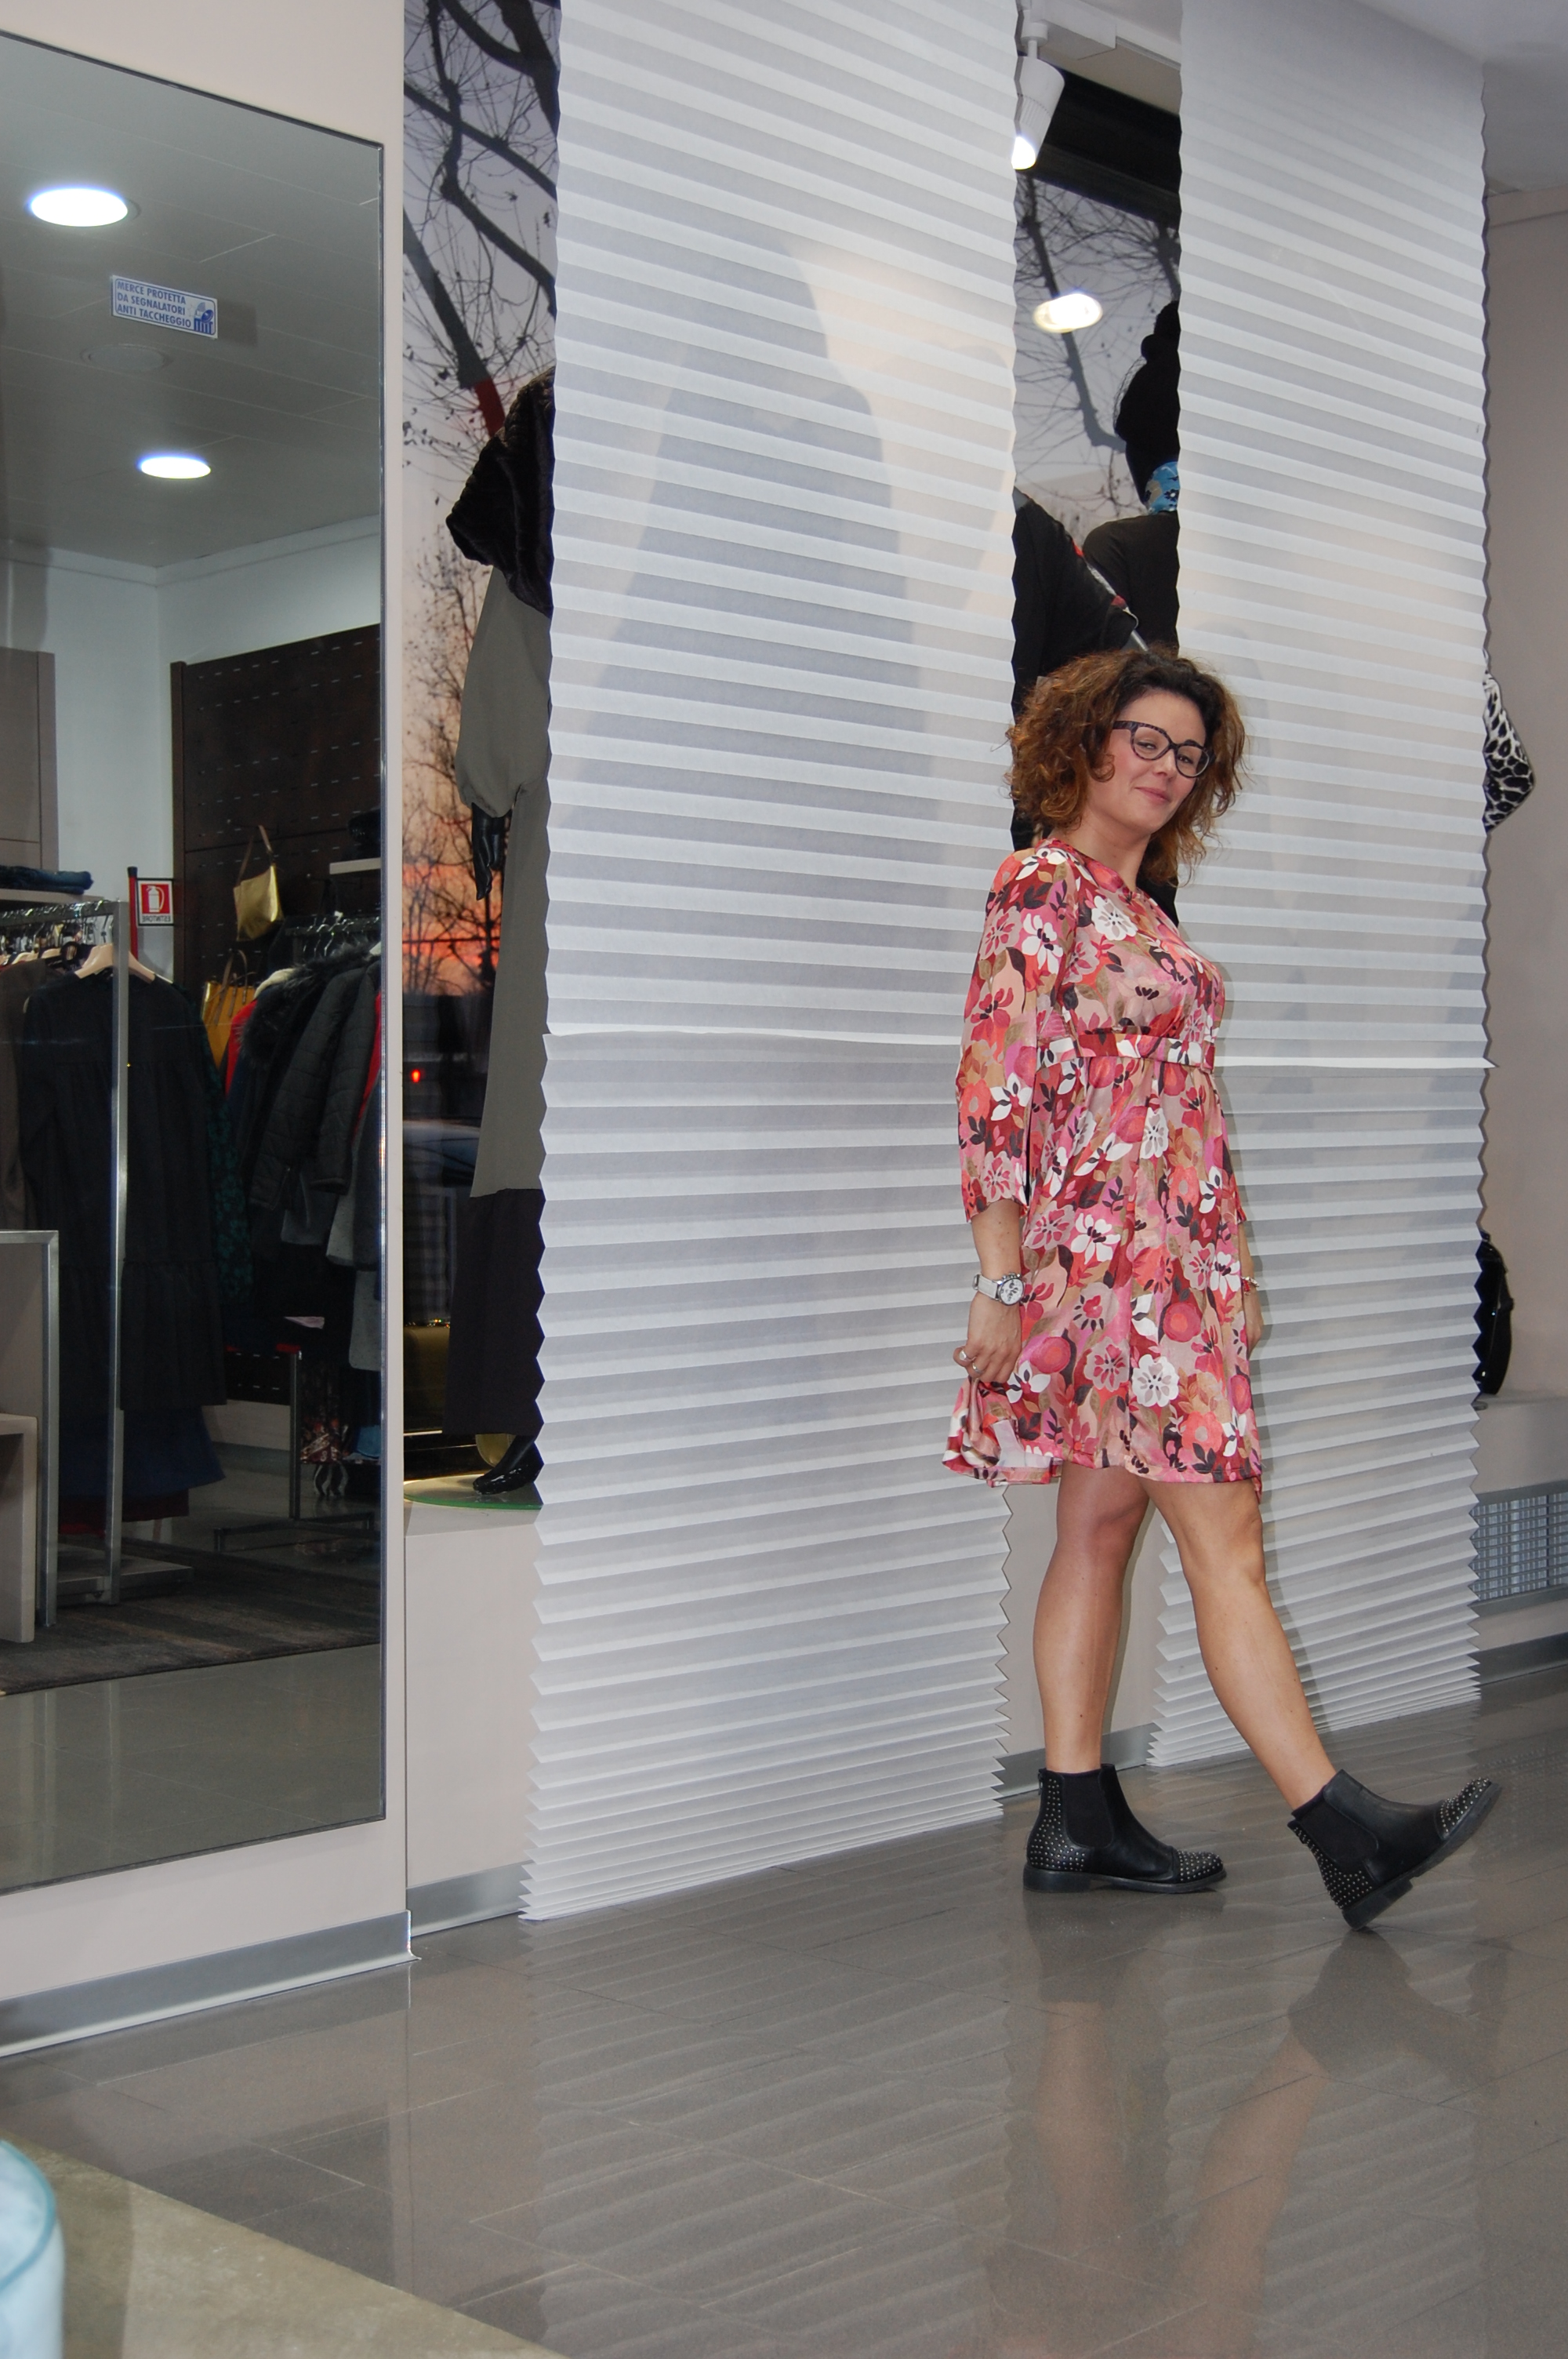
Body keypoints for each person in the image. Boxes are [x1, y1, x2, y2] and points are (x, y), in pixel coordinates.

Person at [946, 645, 1497, 1928]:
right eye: (1143, 739)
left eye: (1188, 755)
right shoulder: (1042, 885)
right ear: (1085, 741)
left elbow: (1185, 1111)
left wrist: (1227, 1262)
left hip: (1169, 1266)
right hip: (1108, 1270)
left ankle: (1076, 1822)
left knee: (1098, 1531)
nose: (1166, 768)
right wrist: (998, 1281)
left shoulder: (1143, 911)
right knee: (1225, 1541)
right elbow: (994, 1089)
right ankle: (1344, 1830)